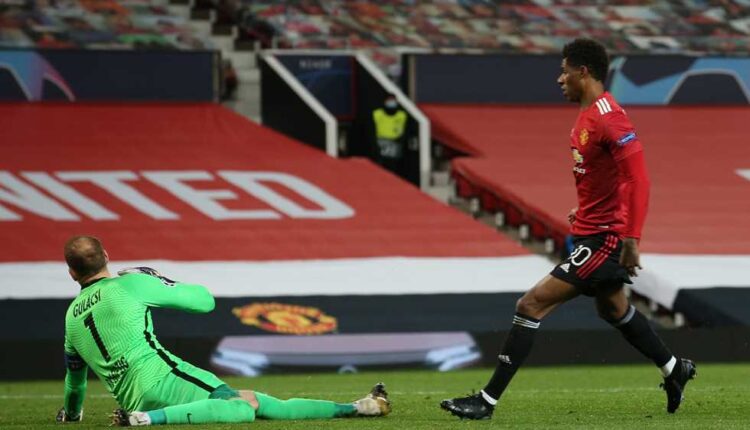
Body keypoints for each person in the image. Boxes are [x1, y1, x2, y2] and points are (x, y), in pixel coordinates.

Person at [440, 38, 696, 420]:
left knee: (530, 304)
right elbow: (605, 178)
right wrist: (586, 210)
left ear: (583, 72)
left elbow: (638, 179)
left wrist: (631, 239)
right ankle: (674, 369)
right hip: (593, 230)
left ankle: (486, 402)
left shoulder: (610, 117)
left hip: (607, 239)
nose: (559, 79)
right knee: (613, 309)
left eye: (564, 71)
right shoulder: (587, 116)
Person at [56, 236, 391, 426]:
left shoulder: (71, 318)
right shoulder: (130, 285)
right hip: (167, 379)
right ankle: (145, 420)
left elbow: (75, 382)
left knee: (255, 401)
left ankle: (356, 408)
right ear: (106, 256)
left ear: (72, 272)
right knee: (241, 407)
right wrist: (157, 278)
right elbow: (205, 302)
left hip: (133, 395)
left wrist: (71, 415)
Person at [371, 94, 409, 177]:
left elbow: (406, 131)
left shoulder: (402, 115)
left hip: (396, 145)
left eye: (393, 100)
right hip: (381, 145)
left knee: (395, 171)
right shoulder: (377, 114)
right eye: (389, 100)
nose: (391, 102)